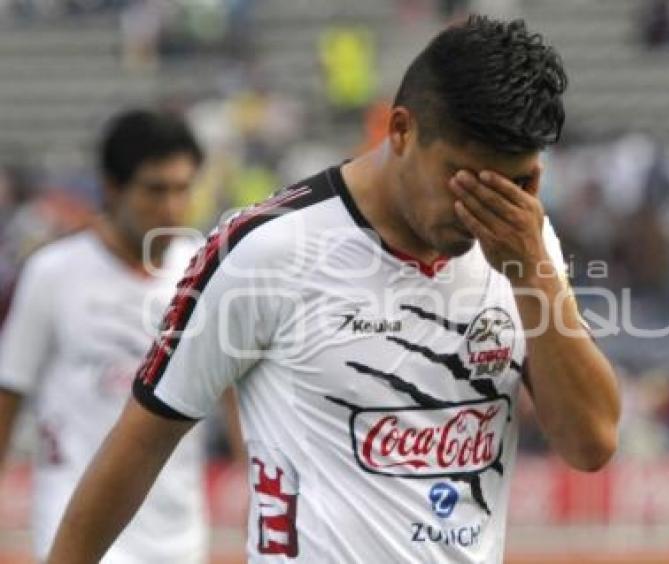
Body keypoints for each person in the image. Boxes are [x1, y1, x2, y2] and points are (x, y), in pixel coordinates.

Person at [49, 16, 620, 563]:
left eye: (516, 183)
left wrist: (531, 274)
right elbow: (142, 439)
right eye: (462, 179)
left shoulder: (521, 241)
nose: (480, 210)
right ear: (401, 130)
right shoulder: (266, 250)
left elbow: (591, 443)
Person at [0, 109, 219, 563]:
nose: (172, 207)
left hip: (177, 535)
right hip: (75, 529)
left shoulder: (204, 269)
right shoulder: (53, 273)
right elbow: (9, 392)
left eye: (183, 189)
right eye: (155, 190)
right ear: (113, 187)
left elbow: (235, 391)